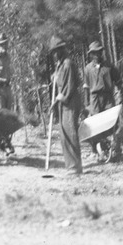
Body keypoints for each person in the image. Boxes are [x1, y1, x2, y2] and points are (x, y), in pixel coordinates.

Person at [50, 37, 83, 175]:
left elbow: (70, 87)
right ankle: (70, 165)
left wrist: (59, 99)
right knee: (64, 133)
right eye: (53, 52)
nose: (54, 54)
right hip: (63, 103)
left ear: (61, 50)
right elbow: (59, 82)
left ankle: (75, 166)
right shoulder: (60, 65)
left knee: (70, 133)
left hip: (70, 103)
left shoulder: (68, 64)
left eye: (56, 51)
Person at [82, 40, 117, 161]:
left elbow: (117, 82)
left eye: (98, 52)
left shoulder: (109, 66)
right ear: (91, 55)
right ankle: (95, 151)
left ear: (102, 52)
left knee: (109, 123)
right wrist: (87, 104)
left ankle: (111, 149)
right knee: (95, 124)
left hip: (107, 97)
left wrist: (118, 98)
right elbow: (86, 86)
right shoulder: (88, 68)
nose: (96, 55)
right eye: (94, 53)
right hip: (94, 98)